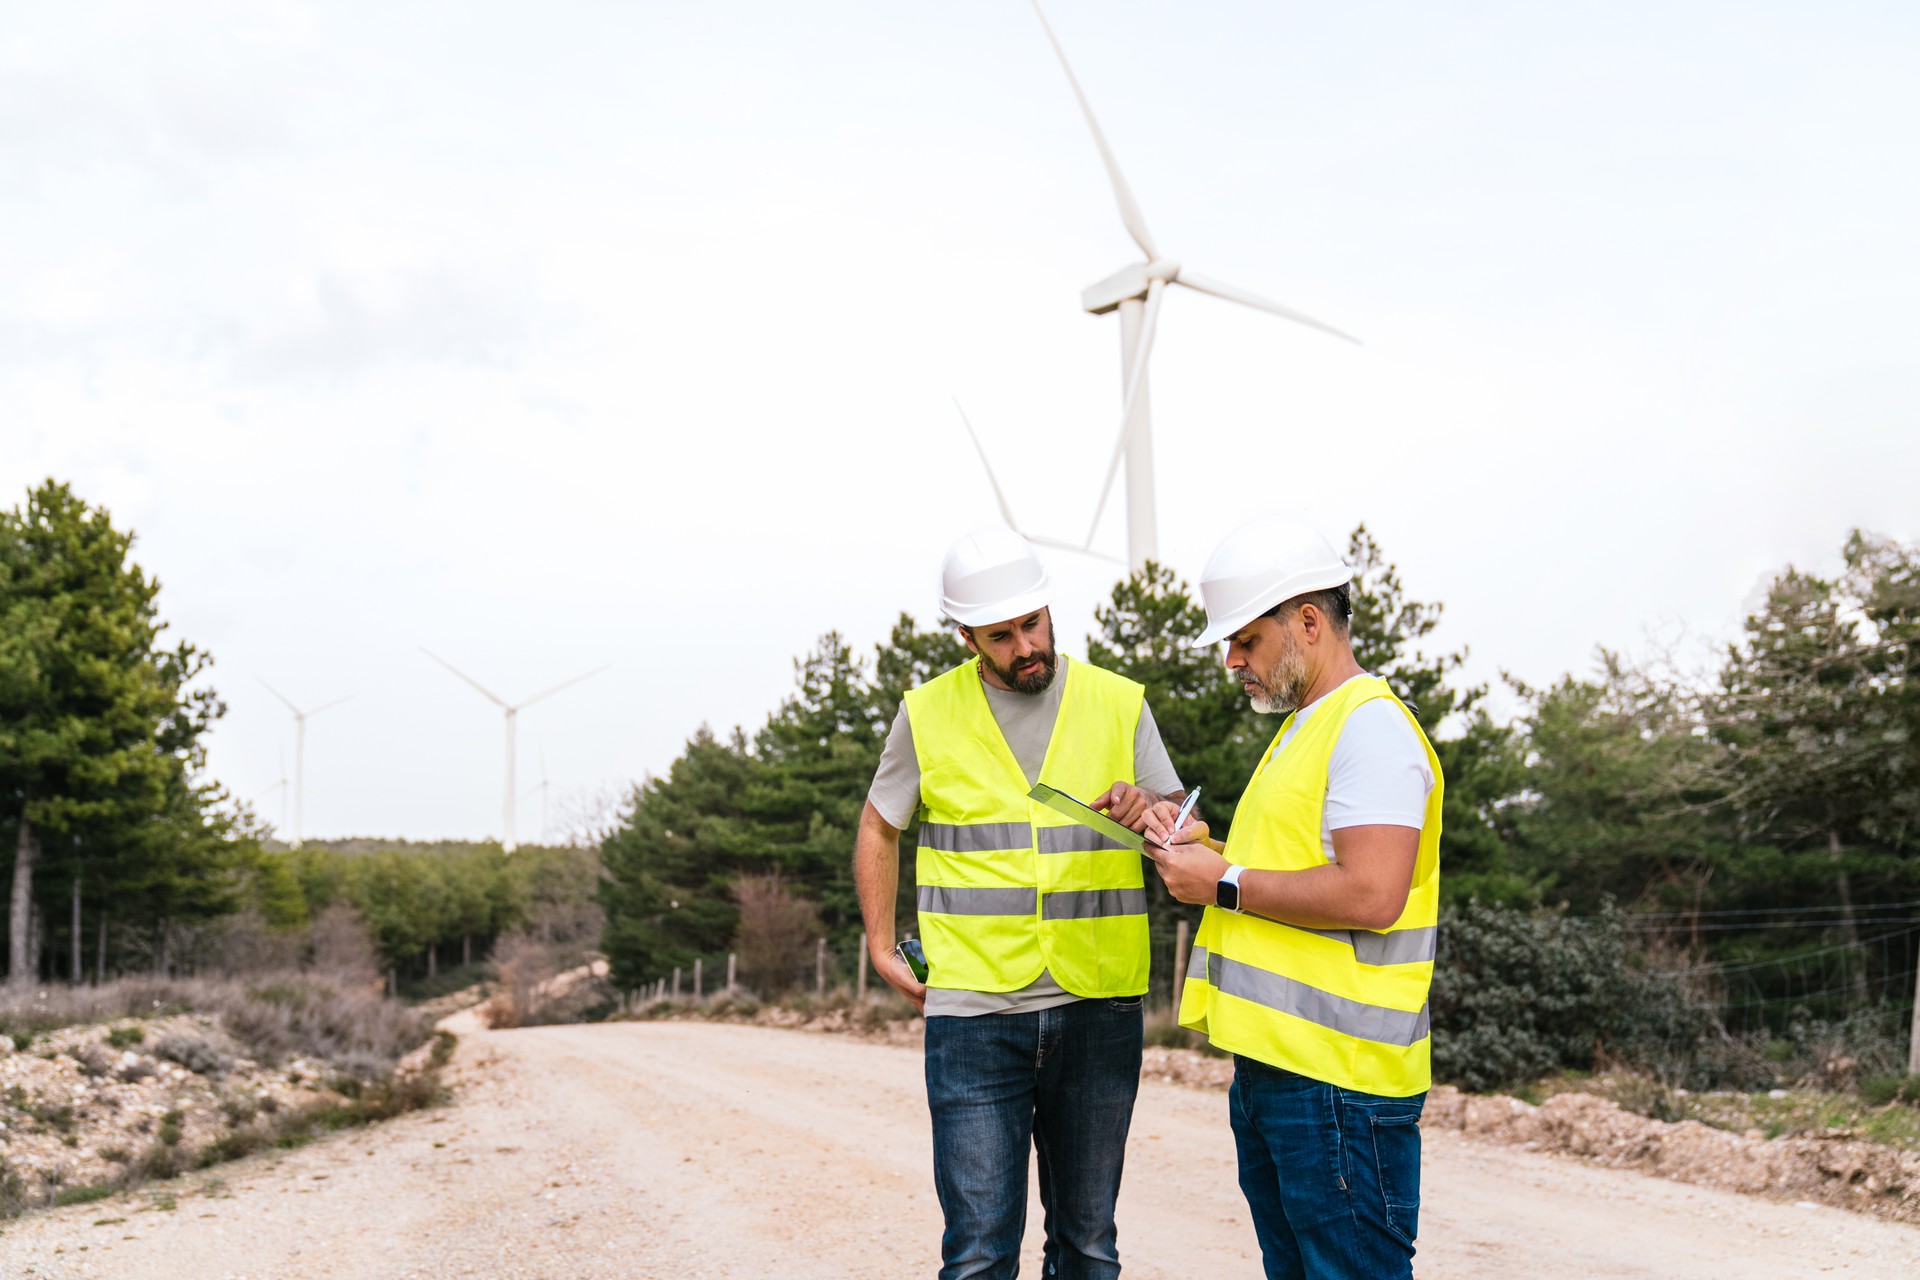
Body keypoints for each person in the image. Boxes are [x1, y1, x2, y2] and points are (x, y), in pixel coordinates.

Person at [854, 526, 1185, 1280]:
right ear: (965, 635)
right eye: (1000, 636)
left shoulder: (1117, 701)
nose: (1024, 645)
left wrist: (1154, 812)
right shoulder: (926, 713)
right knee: (977, 1255)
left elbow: (1185, 823)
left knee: (1089, 1247)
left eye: (1032, 624)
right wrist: (880, 944)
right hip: (972, 1013)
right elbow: (878, 825)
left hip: (1097, 1005)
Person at [1141, 515, 1442, 1280]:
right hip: (1284, 1077)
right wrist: (1199, 854)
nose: (1231, 661)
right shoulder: (1306, 729)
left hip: (1339, 1086)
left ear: (1307, 621)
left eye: (1244, 640)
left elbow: (1373, 893)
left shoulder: (1370, 730)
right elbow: (1287, 877)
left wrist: (1226, 882)